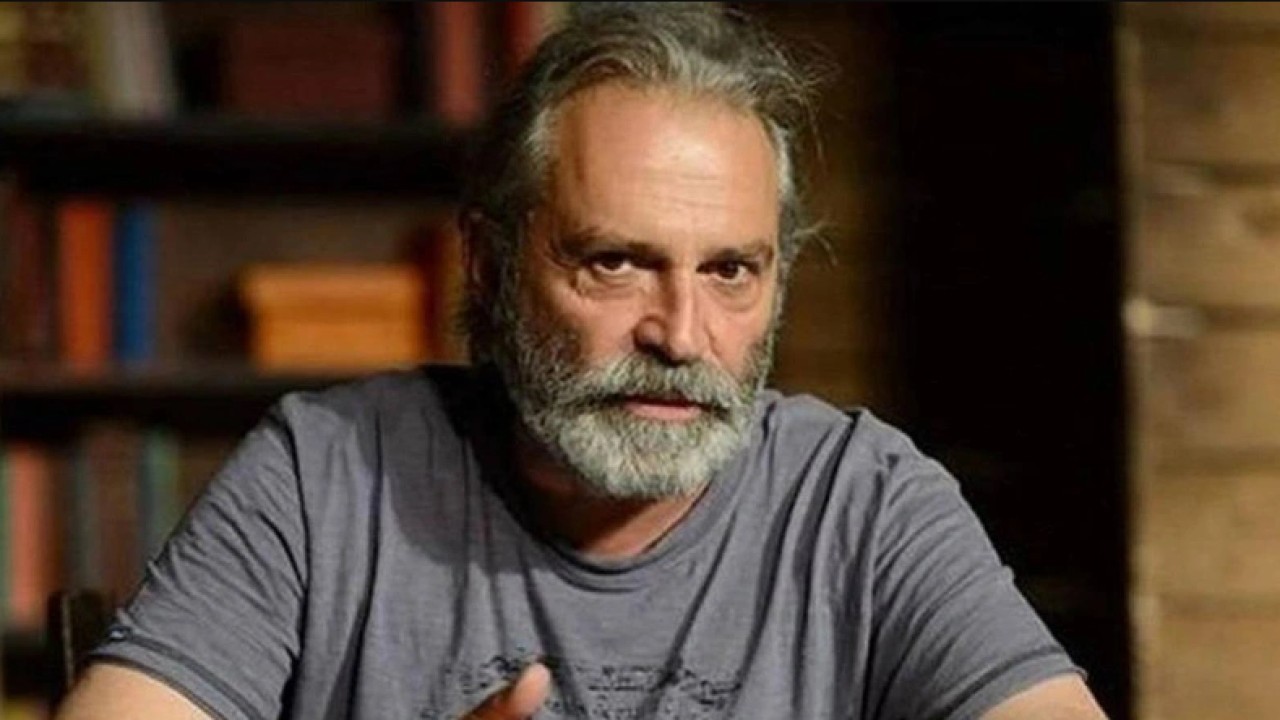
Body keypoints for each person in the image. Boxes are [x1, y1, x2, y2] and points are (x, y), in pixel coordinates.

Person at [56, 4, 1109, 719]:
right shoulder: (325, 474)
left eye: (731, 271)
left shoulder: (861, 500)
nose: (681, 335)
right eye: (615, 263)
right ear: (489, 263)